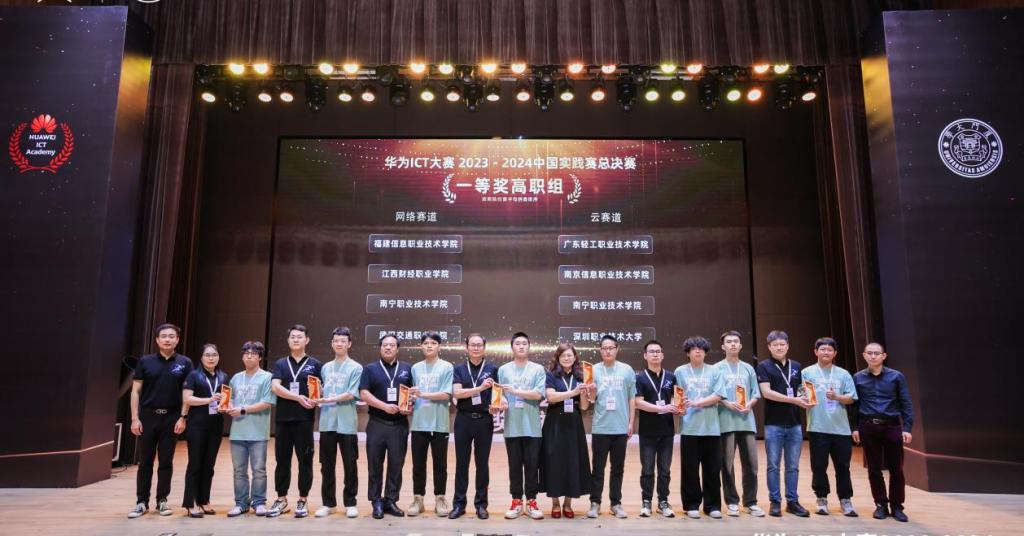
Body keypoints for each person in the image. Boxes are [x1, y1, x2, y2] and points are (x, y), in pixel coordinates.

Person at [128, 323, 194, 518]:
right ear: (157, 340)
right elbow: (135, 391)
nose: (167, 339)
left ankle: (162, 500)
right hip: (148, 417)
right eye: (163, 336)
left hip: (172, 417)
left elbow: (187, 393)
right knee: (145, 462)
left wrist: (183, 417)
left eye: (171, 336)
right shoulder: (145, 361)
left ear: (177, 340)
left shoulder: (185, 362)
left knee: (166, 461)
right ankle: (141, 502)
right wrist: (134, 419)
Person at [852, 342, 914, 523]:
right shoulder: (857, 378)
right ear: (864, 355)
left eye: (876, 353)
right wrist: (855, 427)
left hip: (892, 426)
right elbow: (854, 406)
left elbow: (906, 403)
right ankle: (880, 504)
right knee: (874, 468)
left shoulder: (896, 376)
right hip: (868, 426)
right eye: (869, 353)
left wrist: (907, 428)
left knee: (896, 468)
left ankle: (897, 506)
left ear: (884, 356)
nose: (873, 356)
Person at [268, 324, 322, 517]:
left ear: (307, 340)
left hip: (305, 420)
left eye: (300, 337)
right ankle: (281, 499)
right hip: (283, 420)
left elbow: (320, 391)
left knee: (305, 460)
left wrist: (319, 393)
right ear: (288, 340)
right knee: (282, 460)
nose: (296, 339)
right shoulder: (281, 363)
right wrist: (298, 397)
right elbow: (275, 387)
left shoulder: (315, 364)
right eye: (292, 337)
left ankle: (303, 500)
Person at [756, 330, 812, 517]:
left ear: (788, 346)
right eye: (775, 345)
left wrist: (806, 397)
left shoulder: (796, 366)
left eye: (782, 344)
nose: (779, 347)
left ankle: (792, 502)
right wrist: (794, 400)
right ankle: (775, 502)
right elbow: (767, 393)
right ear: (769, 347)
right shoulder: (763, 366)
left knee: (793, 466)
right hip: (773, 424)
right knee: (773, 465)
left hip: (795, 424)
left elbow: (801, 389)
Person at [801, 337, 858, 517]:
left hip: (841, 428)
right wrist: (802, 399)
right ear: (815, 351)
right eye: (822, 349)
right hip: (817, 427)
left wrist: (837, 397)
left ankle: (845, 500)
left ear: (835, 353)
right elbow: (803, 394)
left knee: (843, 467)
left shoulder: (843, 374)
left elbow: (852, 398)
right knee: (818, 466)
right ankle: (821, 498)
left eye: (829, 350)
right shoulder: (807, 372)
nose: (826, 352)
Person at [360, 334, 414, 519]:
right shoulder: (370, 369)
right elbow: (364, 394)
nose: (388, 348)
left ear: (397, 348)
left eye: (392, 345)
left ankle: (390, 500)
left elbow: (412, 394)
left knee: (396, 465)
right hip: (377, 423)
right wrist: (384, 406)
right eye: (385, 345)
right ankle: (376, 501)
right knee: (374, 464)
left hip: (399, 425)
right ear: (380, 348)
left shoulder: (407, 369)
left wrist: (409, 406)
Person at [494, 332, 546, 520]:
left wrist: (515, 391)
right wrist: (501, 401)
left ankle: (531, 502)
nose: (521, 346)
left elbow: (538, 394)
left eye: (525, 343)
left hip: (532, 428)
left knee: (532, 466)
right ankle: (516, 502)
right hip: (512, 427)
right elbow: (499, 394)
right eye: (518, 343)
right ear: (512, 347)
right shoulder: (503, 370)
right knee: (514, 467)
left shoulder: (538, 369)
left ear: (529, 346)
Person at [674, 336, 728, 519]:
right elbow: (678, 396)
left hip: (711, 428)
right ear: (687, 353)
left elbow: (719, 394)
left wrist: (697, 403)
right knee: (689, 469)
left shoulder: (715, 371)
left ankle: (712, 505)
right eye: (693, 349)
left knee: (712, 469)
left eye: (701, 348)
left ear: (705, 352)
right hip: (689, 428)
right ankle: (691, 504)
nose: (697, 351)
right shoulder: (680, 371)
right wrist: (680, 408)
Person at [539, 343, 592, 518]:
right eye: (563, 356)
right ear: (558, 358)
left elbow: (584, 407)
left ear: (575, 357)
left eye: (569, 355)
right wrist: (574, 392)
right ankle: (555, 503)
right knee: (553, 461)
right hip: (554, 422)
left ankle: (568, 503)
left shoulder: (581, 375)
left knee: (572, 461)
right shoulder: (551, 375)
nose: (566, 358)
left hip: (574, 423)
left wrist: (584, 392)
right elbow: (551, 397)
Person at [586, 335, 636, 519]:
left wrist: (631, 422)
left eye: (611, 348)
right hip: (601, 427)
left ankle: (616, 503)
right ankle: (595, 503)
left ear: (617, 349)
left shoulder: (627, 370)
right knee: (598, 468)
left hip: (620, 427)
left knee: (618, 468)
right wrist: (591, 392)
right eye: (604, 348)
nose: (608, 351)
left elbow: (632, 398)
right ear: (600, 350)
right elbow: (591, 400)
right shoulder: (593, 370)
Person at [315, 327, 363, 519]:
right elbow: (322, 391)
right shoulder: (325, 368)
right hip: (327, 422)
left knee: (350, 465)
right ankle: (329, 503)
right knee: (326, 465)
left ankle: (350, 503)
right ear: (332, 343)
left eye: (343, 341)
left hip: (347, 423)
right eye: (336, 341)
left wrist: (328, 399)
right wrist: (318, 394)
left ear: (349, 344)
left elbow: (351, 394)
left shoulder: (356, 367)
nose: (339, 344)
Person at [224, 341, 276, 517]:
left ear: (260, 357)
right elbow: (229, 399)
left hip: (258, 432)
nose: (249, 356)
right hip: (237, 432)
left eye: (253, 353)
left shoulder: (267, 377)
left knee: (259, 470)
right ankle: (241, 503)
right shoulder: (236, 378)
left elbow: (267, 403)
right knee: (239, 471)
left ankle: (259, 503)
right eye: (246, 353)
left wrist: (243, 409)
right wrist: (227, 405)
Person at [716, 331, 765, 517]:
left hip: (746, 422)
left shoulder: (748, 368)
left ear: (741, 345)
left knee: (751, 464)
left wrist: (750, 404)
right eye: (729, 342)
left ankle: (751, 502)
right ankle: (732, 502)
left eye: (736, 341)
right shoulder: (716, 369)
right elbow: (715, 394)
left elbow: (756, 393)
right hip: (726, 422)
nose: (733, 344)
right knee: (727, 464)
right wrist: (727, 403)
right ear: (723, 346)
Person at [450, 333, 498, 519]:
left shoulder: (492, 369)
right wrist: (480, 388)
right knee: (461, 463)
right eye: (473, 345)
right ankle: (459, 504)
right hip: (463, 419)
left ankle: (481, 505)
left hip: (484, 420)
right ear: (466, 348)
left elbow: (497, 394)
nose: (476, 348)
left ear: (484, 348)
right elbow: (458, 393)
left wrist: (496, 405)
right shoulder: (459, 369)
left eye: (479, 345)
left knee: (482, 464)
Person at [408, 332, 455, 517]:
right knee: (418, 465)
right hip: (419, 424)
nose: (429, 346)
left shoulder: (447, 367)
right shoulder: (415, 368)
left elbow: (446, 394)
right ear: (421, 346)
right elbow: (412, 394)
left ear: (439, 346)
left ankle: (440, 499)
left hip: (439, 424)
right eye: (426, 343)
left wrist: (422, 395)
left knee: (440, 465)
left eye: (433, 343)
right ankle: (418, 499)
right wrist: (410, 399)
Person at [181, 343, 229, 517]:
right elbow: (187, 399)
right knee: (195, 464)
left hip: (216, 426)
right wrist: (209, 400)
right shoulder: (194, 375)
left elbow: (226, 400)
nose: (211, 358)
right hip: (197, 425)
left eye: (214, 355)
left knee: (209, 465)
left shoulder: (223, 376)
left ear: (218, 357)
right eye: (207, 355)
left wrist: (225, 404)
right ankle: (190, 502)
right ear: (201, 358)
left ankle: (204, 500)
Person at [634, 340, 680, 518]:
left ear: (662, 355)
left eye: (658, 351)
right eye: (651, 351)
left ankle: (663, 502)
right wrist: (662, 407)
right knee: (647, 470)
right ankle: (646, 501)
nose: (655, 354)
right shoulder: (639, 378)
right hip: (647, 431)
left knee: (665, 470)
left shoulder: (671, 377)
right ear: (645, 356)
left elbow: (675, 399)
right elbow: (638, 402)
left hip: (667, 431)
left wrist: (676, 406)